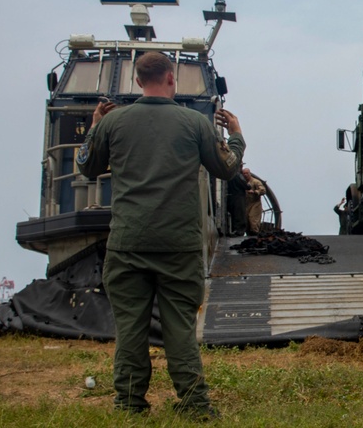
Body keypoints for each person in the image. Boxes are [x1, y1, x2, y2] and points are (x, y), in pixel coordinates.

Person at [77, 51, 244, 420]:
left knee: (130, 328)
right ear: (172, 78)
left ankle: (129, 403)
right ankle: (195, 405)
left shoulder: (113, 123)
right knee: (180, 328)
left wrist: (95, 125)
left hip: (127, 243)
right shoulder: (194, 124)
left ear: (138, 81)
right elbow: (227, 169)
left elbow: (87, 165)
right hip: (178, 245)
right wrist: (236, 136)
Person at [243, 168, 265, 235]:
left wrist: (255, 192)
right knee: (246, 220)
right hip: (246, 204)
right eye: (244, 173)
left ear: (250, 173)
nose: (245, 175)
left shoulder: (256, 182)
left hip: (255, 203)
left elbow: (263, 190)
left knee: (253, 219)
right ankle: (248, 234)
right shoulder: (243, 182)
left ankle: (254, 234)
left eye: (247, 173)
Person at [226, 170, 248, 236]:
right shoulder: (237, 175)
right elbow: (246, 185)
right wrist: (248, 185)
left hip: (231, 197)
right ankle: (239, 231)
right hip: (239, 197)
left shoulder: (228, 173)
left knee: (234, 214)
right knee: (240, 214)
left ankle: (233, 229)